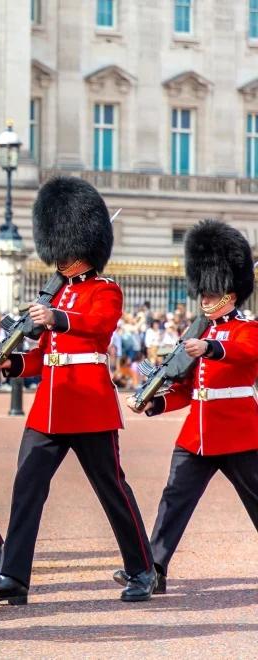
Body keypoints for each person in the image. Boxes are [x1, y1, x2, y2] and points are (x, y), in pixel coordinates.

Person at [0, 176, 155, 605]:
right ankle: (14, 577)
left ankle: (142, 569)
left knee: (112, 489)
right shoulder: (53, 293)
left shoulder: (106, 290)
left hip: (89, 405)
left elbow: (98, 328)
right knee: (27, 487)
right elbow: (44, 356)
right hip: (49, 408)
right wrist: (14, 364)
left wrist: (57, 318)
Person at [125, 219, 258, 594]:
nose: (203, 300)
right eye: (202, 293)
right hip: (197, 434)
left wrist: (212, 348)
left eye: (210, 294)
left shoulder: (246, 329)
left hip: (239, 434)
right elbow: (187, 389)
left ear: (229, 295)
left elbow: (247, 351)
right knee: (173, 500)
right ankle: (154, 570)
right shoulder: (197, 334)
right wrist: (156, 404)